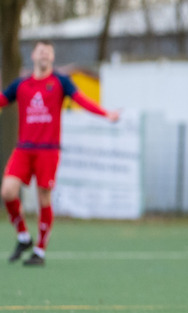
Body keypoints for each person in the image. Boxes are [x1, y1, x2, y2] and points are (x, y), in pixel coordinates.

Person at [2, 41, 120, 266]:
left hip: (48, 150)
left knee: (43, 197)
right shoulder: (22, 84)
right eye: (40, 51)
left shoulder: (61, 82)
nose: (44, 54)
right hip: (24, 149)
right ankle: (23, 237)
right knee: (8, 191)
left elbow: (82, 101)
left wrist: (106, 114)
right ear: (34, 55)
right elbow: (3, 100)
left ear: (52, 57)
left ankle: (40, 251)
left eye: (48, 51)